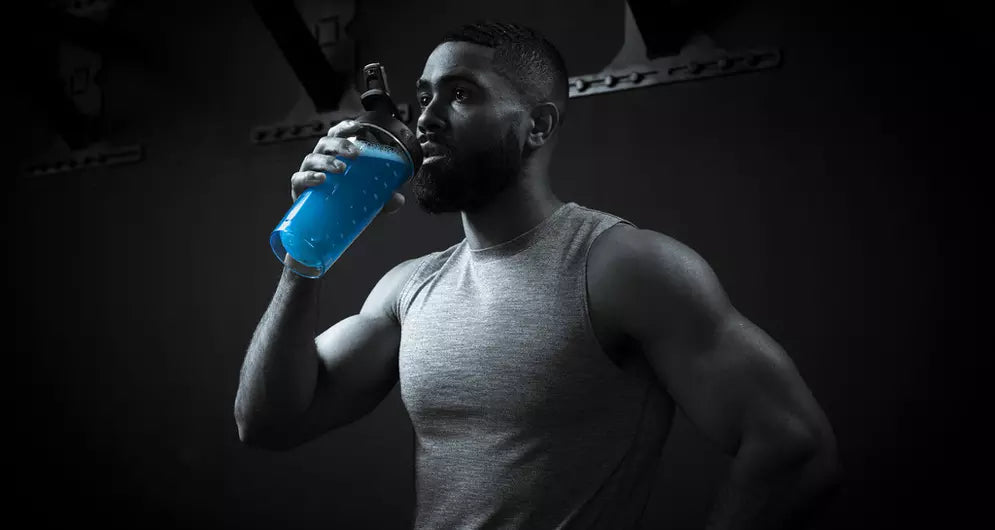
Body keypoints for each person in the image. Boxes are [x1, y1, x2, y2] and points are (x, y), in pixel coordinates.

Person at [235, 21, 841, 530]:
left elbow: (792, 445)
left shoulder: (623, 266)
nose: (426, 119)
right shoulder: (408, 289)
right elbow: (266, 423)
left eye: (462, 94)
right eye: (423, 97)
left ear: (539, 125)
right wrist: (306, 253)